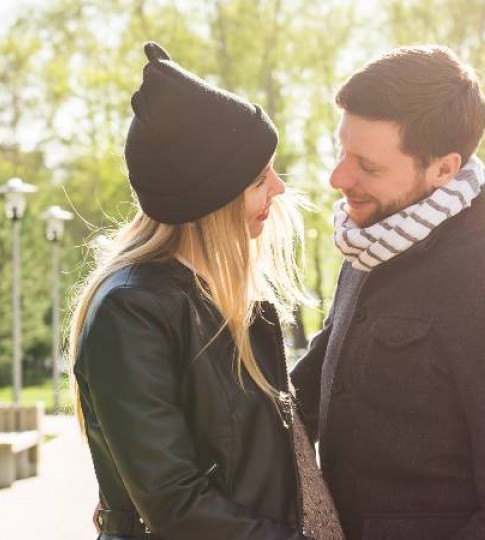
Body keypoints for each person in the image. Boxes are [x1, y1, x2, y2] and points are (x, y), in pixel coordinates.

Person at [291, 45, 485, 540]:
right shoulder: (372, 249)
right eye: (342, 153)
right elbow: (303, 398)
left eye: (368, 165)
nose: (339, 178)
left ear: (445, 169)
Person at [69, 42, 339, 540]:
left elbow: (275, 426)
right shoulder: (129, 312)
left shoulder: (228, 296)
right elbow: (176, 505)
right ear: (210, 200)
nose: (278, 190)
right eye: (260, 179)